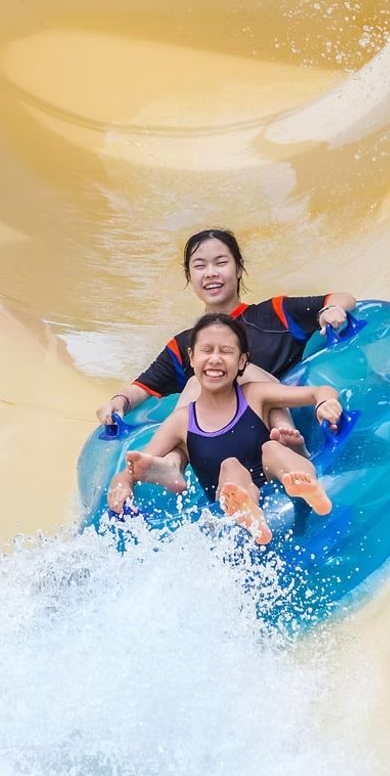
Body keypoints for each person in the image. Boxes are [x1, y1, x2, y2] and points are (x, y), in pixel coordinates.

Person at [93, 229, 358, 453]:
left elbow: (342, 298)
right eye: (200, 266)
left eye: (220, 263)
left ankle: (289, 447)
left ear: (239, 268)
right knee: (196, 383)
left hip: (279, 425)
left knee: (232, 374)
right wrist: (118, 402)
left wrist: (330, 310)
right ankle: (171, 461)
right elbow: (142, 388)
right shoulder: (186, 344)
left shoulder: (275, 314)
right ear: (189, 276)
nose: (210, 273)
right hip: (223, 446)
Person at [107, 313, 342, 546]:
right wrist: (122, 484)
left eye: (226, 351)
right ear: (192, 357)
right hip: (231, 493)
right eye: (206, 350)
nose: (215, 359)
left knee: (273, 448)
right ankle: (248, 513)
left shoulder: (255, 394)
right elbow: (132, 469)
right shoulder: (181, 421)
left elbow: (319, 391)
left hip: (275, 477)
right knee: (230, 466)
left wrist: (324, 403)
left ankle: (308, 488)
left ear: (242, 361)